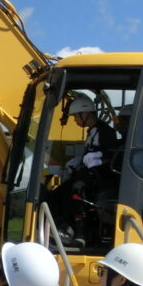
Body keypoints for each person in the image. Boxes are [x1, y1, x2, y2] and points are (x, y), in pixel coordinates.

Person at [46, 94, 122, 247]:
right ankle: (64, 226)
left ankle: (80, 233)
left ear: (85, 113)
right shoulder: (92, 131)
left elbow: (114, 154)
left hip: (101, 175)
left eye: (76, 117)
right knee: (55, 195)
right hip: (89, 172)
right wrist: (79, 161)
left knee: (76, 190)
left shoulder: (105, 131)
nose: (75, 120)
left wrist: (100, 158)